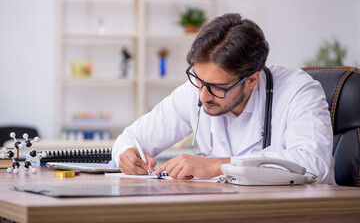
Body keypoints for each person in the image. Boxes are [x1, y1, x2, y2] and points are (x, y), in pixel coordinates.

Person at [112, 13, 335, 183]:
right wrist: (127, 154)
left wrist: (219, 166)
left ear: (251, 80)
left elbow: (313, 162)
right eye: (198, 79)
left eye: (218, 87)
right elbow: (131, 138)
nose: (203, 95)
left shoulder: (298, 91)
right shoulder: (197, 89)